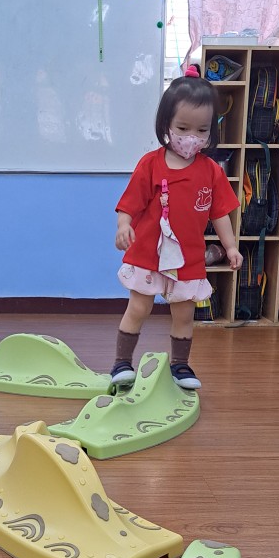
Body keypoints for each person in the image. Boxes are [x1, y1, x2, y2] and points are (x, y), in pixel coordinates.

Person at [111, 67, 242, 391]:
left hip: (188, 259)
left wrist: (231, 247)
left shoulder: (211, 171)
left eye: (201, 129)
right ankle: (121, 363)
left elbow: (221, 214)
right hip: (147, 254)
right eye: (183, 128)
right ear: (166, 124)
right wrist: (123, 225)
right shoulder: (151, 164)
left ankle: (180, 365)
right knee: (138, 307)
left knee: (184, 314)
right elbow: (130, 203)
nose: (191, 137)